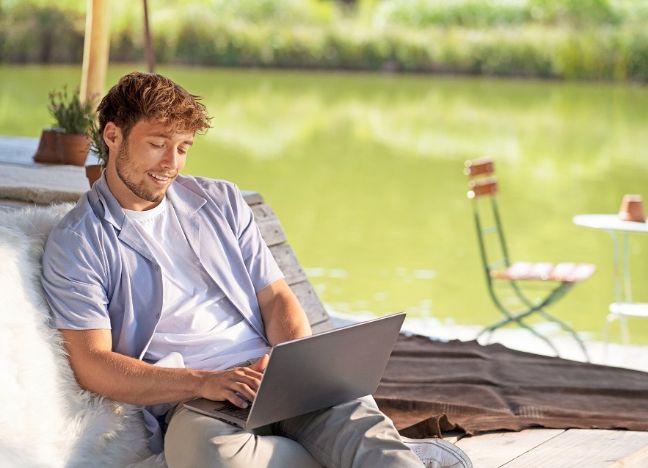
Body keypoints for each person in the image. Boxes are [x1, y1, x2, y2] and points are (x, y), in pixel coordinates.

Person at [41, 72, 472, 468]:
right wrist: (203, 382)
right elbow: (93, 364)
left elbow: (277, 298)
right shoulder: (79, 241)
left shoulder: (221, 202)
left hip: (272, 370)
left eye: (184, 147)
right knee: (208, 454)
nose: (172, 162)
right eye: (157, 144)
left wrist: (293, 362)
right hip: (193, 395)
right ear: (113, 136)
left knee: (362, 427)